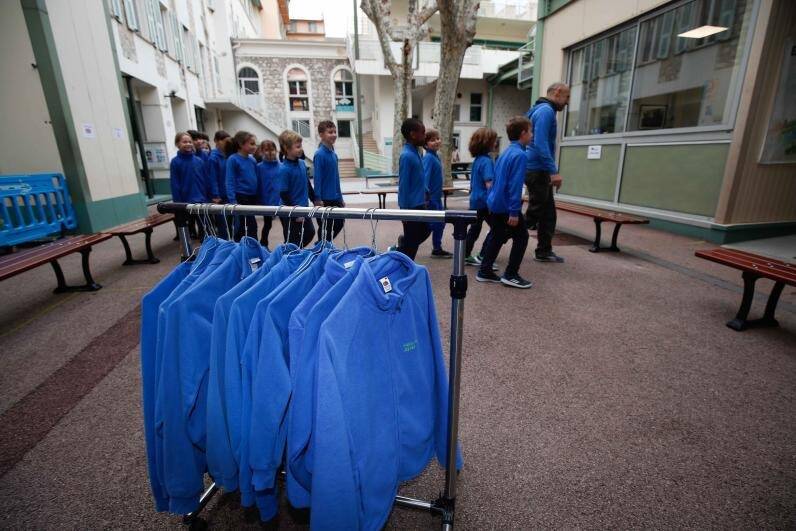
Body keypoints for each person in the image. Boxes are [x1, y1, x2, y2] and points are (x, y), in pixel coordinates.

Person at [476, 116, 533, 289]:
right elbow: (515, 185)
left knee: (497, 236)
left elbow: (496, 181)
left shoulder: (505, 152)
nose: (532, 135)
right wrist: (514, 211)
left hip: (496, 203)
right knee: (522, 237)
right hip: (507, 206)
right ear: (523, 133)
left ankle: (485, 270)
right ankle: (511, 274)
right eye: (530, 131)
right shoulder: (520, 155)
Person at [525, 82, 570, 263]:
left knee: (547, 214)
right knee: (534, 214)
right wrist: (553, 171)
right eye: (566, 97)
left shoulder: (537, 109)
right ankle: (497, 238)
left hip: (536, 168)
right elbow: (540, 143)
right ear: (557, 92)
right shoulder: (546, 111)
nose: (567, 102)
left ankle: (544, 250)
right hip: (538, 170)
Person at [394, 118, 431, 260]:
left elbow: (419, 176)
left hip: (420, 203)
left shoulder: (416, 152)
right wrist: (403, 211)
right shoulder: (406, 156)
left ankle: (403, 245)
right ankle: (401, 259)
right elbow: (403, 185)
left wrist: (426, 191)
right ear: (413, 134)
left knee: (426, 231)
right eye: (422, 132)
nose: (424, 136)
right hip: (411, 207)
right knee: (411, 248)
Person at [464, 127, 497, 267]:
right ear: (487, 143)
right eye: (494, 141)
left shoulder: (478, 160)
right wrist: (493, 203)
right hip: (485, 202)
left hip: (475, 200)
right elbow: (489, 184)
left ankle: (464, 254)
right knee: (497, 229)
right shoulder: (487, 161)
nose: (495, 143)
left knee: (474, 230)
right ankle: (484, 255)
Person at [170, 131, 212, 240]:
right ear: (177, 144)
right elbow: (175, 184)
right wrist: (178, 204)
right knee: (188, 231)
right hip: (185, 202)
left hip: (201, 201)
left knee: (205, 230)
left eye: (189, 142)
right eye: (184, 142)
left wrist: (208, 197)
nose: (188, 144)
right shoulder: (175, 162)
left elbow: (206, 180)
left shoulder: (199, 161)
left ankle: (206, 246)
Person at [278, 130, 315, 247]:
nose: (301, 149)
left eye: (301, 146)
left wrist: (315, 199)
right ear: (287, 149)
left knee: (310, 232)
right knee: (292, 240)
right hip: (289, 210)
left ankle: (294, 252)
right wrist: (294, 213)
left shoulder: (302, 163)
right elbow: (284, 194)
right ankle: (288, 254)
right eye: (298, 147)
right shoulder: (284, 169)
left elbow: (307, 183)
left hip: (303, 207)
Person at [313, 120, 345, 242]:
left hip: (335, 198)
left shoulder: (333, 154)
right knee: (325, 226)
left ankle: (323, 244)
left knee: (339, 223)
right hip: (324, 199)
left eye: (335, 132)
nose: (334, 134)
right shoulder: (319, 154)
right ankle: (321, 246)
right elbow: (317, 178)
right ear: (321, 135)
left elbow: (336, 178)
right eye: (330, 132)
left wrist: (340, 198)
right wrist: (317, 198)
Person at [225, 130, 260, 241]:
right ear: (241, 144)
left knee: (249, 225)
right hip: (241, 196)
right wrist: (232, 200)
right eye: (251, 144)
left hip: (251, 197)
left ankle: (247, 246)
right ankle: (246, 247)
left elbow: (255, 178)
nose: (254, 146)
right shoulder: (233, 159)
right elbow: (229, 180)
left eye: (255, 144)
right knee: (247, 226)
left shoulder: (252, 160)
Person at [423, 129, 452, 258]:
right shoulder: (429, 158)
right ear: (425, 144)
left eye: (437, 138)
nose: (436, 141)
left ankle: (437, 248)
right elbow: (425, 179)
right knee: (430, 226)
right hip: (431, 199)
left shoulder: (436, 156)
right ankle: (402, 245)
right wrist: (426, 199)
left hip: (436, 197)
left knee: (439, 223)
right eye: (432, 140)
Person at [256, 140, 281, 248]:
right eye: (266, 150)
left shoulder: (281, 166)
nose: (270, 152)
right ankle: (263, 245)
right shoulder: (259, 167)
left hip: (280, 201)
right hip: (266, 202)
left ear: (276, 150)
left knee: (286, 225)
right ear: (261, 152)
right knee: (267, 224)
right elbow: (258, 185)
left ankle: (287, 247)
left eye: (272, 149)